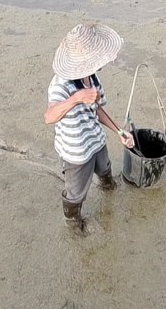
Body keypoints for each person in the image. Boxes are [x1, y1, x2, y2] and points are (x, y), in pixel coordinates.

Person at [44, 23, 135, 236]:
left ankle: (108, 187)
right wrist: (76, 99)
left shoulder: (92, 77)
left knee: (105, 170)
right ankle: (73, 224)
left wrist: (120, 132)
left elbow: (97, 110)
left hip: (96, 140)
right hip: (76, 153)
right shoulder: (61, 85)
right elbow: (49, 116)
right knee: (75, 194)